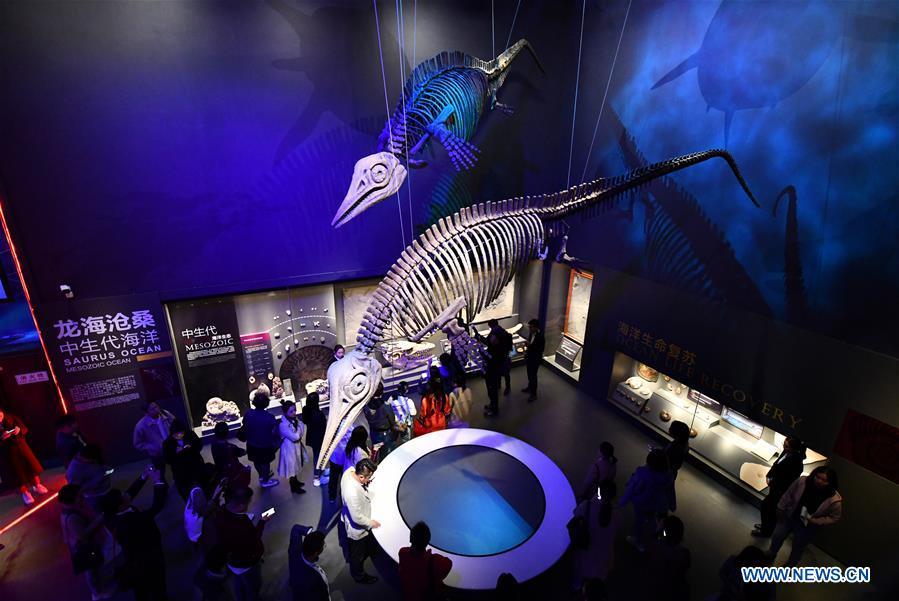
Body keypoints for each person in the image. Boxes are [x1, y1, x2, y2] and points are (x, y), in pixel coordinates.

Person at [99, 465, 169, 601]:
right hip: (149, 556)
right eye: (122, 497)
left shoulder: (111, 515)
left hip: (132, 558)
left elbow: (130, 493)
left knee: (140, 586)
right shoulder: (132, 520)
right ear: (120, 506)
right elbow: (156, 507)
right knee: (157, 583)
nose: (125, 495)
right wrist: (158, 481)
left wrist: (143, 476)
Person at [766, 466, 841, 566]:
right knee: (777, 535)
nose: (819, 481)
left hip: (807, 526)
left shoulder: (834, 499)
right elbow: (789, 493)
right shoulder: (803, 481)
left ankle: (790, 565)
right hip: (790, 515)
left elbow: (835, 517)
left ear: (830, 482)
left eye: (824, 480)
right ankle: (771, 553)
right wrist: (781, 507)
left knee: (798, 546)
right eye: (818, 477)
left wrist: (817, 521)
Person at [211, 486, 272, 601]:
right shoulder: (242, 524)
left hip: (232, 562)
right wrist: (262, 522)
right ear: (240, 506)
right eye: (248, 502)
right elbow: (254, 538)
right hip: (247, 564)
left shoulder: (220, 512)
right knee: (253, 586)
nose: (249, 505)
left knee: (238, 583)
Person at [59, 483, 119, 600]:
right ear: (71, 499)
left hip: (80, 547)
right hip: (84, 549)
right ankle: (97, 593)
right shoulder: (72, 517)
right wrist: (99, 520)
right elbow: (82, 535)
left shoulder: (68, 511)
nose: (82, 497)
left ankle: (98, 588)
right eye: (79, 496)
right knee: (91, 570)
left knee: (93, 569)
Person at [619, 448, 674, 552]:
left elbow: (631, 489)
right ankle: (652, 536)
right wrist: (671, 504)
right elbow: (670, 491)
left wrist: (622, 502)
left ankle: (638, 541)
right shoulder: (669, 475)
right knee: (651, 519)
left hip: (641, 503)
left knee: (639, 521)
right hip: (656, 504)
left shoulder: (642, 474)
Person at [752, 436, 806, 538]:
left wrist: (776, 482)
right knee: (767, 507)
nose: (784, 447)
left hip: (781, 490)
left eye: (787, 446)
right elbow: (776, 464)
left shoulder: (797, 461)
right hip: (775, 486)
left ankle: (766, 531)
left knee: (769, 508)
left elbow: (790, 478)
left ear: (794, 448)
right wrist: (769, 475)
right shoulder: (787, 452)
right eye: (784, 445)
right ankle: (766, 527)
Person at [340, 458, 381, 584]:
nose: (369, 480)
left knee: (362, 548)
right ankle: (359, 576)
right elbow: (357, 517)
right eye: (369, 477)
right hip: (356, 531)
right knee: (357, 555)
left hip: (353, 517)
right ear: (361, 477)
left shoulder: (349, 471)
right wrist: (371, 523)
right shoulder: (352, 493)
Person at [572, 480, 618, 589]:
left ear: (598, 491)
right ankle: (592, 591)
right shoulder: (616, 513)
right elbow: (612, 533)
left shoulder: (586, 506)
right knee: (598, 575)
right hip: (604, 554)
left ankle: (577, 587)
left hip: (586, 548)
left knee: (580, 571)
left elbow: (575, 514)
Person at [0, 408, 48, 505]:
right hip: (7, 452)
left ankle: (37, 485)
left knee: (30, 467)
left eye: (0, 415)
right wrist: (1, 437)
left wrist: (19, 430)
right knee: (17, 474)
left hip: (21, 447)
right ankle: (25, 493)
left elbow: (24, 428)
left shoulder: (12, 417)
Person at [399, 521, 453, 601]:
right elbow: (449, 563)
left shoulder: (403, 553)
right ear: (428, 541)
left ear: (410, 539)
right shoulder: (436, 561)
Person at [646, 515, 690, 601]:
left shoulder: (658, 548)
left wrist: (658, 532)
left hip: (661, 589)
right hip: (677, 590)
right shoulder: (686, 553)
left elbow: (649, 547)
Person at [241, 391, 279, 488]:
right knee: (265, 463)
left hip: (251, 444)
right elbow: (274, 432)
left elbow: (244, 424)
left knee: (256, 461)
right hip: (265, 445)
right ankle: (265, 481)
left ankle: (261, 476)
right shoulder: (269, 417)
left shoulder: (248, 413)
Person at [163, 419, 206, 501]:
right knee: (186, 492)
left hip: (195, 466)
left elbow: (199, 445)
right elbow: (167, 460)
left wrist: (191, 447)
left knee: (202, 485)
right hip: (181, 472)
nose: (179, 435)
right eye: (176, 434)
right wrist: (175, 453)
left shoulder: (190, 434)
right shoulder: (167, 443)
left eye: (181, 433)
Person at [474, 320, 510, 417]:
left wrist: (480, 350)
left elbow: (489, 356)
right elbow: (489, 344)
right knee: (491, 389)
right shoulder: (498, 341)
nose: (491, 339)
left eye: (493, 338)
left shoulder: (496, 349)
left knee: (492, 389)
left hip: (492, 370)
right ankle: (492, 405)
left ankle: (494, 410)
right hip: (493, 368)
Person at [132, 402, 175, 481]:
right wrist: (151, 447)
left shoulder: (165, 414)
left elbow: (176, 425)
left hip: (172, 449)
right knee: (160, 474)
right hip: (157, 454)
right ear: (147, 412)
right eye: (152, 409)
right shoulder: (141, 425)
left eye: (156, 406)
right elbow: (137, 443)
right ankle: (162, 487)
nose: (156, 409)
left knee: (177, 469)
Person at [288, 525, 330, 601]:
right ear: (316, 553)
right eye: (323, 546)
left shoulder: (294, 553)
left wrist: (312, 535)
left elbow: (296, 529)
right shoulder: (315, 578)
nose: (324, 546)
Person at [65, 444, 112, 510]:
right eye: (93, 460)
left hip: (103, 489)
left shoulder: (85, 455)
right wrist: (97, 479)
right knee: (99, 509)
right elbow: (76, 490)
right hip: (94, 495)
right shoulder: (74, 472)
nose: (94, 461)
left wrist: (106, 472)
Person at [211, 421, 251, 490]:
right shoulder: (231, 447)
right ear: (227, 433)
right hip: (233, 471)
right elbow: (241, 452)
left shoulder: (214, 445)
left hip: (221, 471)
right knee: (247, 469)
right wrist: (246, 451)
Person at [278, 400, 307, 494]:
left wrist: (298, 428)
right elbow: (296, 437)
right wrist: (298, 428)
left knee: (295, 465)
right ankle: (294, 487)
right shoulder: (283, 425)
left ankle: (296, 482)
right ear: (285, 412)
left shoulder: (294, 420)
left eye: (294, 410)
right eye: (291, 411)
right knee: (291, 467)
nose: (294, 413)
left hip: (295, 447)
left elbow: (302, 431)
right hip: (288, 449)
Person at [301, 391, 327, 486]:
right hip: (319, 438)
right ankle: (317, 476)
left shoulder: (306, 410)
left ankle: (321, 470)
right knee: (318, 456)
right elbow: (323, 427)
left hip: (311, 437)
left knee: (318, 455)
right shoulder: (318, 414)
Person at [364, 386, 396, 459]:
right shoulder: (385, 405)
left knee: (375, 454)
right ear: (382, 392)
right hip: (385, 434)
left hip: (373, 432)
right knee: (386, 456)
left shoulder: (366, 406)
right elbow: (392, 420)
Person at [521, 318, 545, 401]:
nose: (529, 329)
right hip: (530, 358)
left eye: (531, 327)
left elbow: (540, 349)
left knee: (533, 376)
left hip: (535, 360)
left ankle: (534, 394)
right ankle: (530, 387)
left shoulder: (540, 337)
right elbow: (530, 343)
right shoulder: (531, 334)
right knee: (529, 374)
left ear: (536, 327)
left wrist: (530, 346)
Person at [327, 427, 353, 504]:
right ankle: (340, 496)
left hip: (336, 456)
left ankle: (332, 496)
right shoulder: (348, 426)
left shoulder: (333, 424)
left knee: (334, 477)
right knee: (342, 478)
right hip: (342, 457)